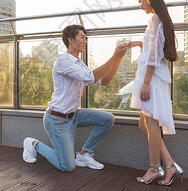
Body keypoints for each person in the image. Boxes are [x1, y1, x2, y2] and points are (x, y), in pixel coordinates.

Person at [22, 24, 127, 172]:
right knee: (67, 166)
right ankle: (33, 143)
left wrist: (118, 59)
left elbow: (104, 81)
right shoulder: (62, 61)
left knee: (107, 119)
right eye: (82, 37)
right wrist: (113, 56)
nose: (85, 41)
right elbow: (91, 77)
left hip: (73, 116)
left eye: (86, 38)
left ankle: (84, 154)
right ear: (70, 40)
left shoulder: (79, 63)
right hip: (57, 119)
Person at [118, 0, 184, 186]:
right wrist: (138, 43)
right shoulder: (159, 19)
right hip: (153, 77)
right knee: (143, 124)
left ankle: (154, 169)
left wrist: (146, 83)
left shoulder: (155, 19)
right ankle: (170, 164)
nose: (140, 5)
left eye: (140, 0)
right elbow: (154, 46)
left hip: (151, 79)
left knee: (152, 126)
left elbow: (154, 55)